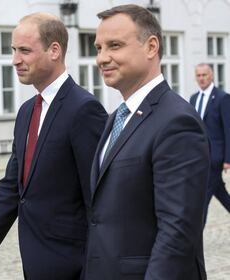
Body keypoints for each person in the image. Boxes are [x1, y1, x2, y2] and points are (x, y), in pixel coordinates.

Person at [0, 13, 107, 280]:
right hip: (34, 263)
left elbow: (99, 202)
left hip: (72, 266)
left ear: (54, 51)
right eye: (14, 50)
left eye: (24, 50)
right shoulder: (27, 112)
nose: (15, 60)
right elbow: (12, 188)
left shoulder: (84, 110)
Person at [85, 4, 209, 279]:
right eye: (98, 48)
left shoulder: (177, 121)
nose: (102, 58)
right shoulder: (116, 117)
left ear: (151, 47)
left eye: (114, 45)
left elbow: (177, 232)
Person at [190, 63, 230, 224]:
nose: (201, 78)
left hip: (215, 157)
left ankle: (195, 236)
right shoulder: (193, 98)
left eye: (204, 75)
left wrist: (228, 158)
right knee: (219, 191)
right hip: (199, 156)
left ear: (211, 75)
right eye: (198, 75)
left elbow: (228, 129)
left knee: (203, 198)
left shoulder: (222, 98)